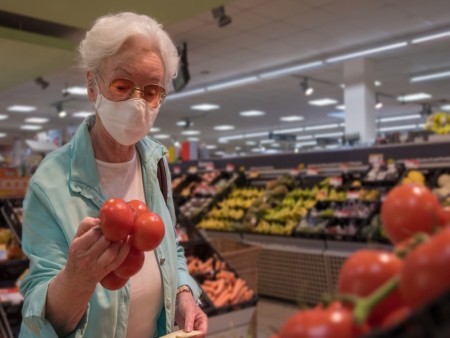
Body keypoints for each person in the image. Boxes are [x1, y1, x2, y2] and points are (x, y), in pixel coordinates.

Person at [19, 12, 208, 338]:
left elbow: (170, 245)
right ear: (93, 87)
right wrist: (76, 278)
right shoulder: (49, 183)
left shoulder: (156, 163)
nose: (137, 104)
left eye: (150, 91)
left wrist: (183, 293)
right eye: (122, 86)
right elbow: (42, 319)